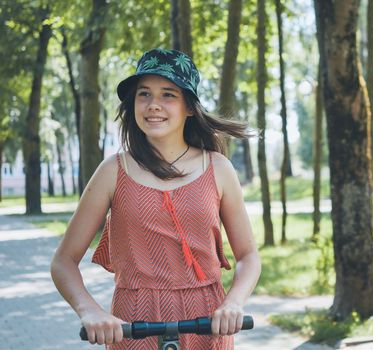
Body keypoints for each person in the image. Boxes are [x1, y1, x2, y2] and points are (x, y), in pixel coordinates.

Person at [50, 48, 261, 349]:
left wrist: (234, 303)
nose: (153, 105)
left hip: (206, 323)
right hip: (134, 325)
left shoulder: (218, 169)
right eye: (144, 94)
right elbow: (63, 261)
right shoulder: (113, 171)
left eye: (168, 95)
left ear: (189, 107)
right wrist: (90, 311)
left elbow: (249, 256)